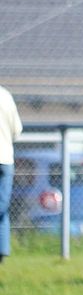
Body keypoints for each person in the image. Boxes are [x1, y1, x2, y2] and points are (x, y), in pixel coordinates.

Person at [0, 84, 22, 264]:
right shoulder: (6, 96)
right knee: (2, 207)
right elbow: (17, 130)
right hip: (5, 158)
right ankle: (2, 251)